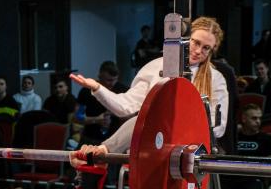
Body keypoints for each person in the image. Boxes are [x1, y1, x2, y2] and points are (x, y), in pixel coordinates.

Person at [69, 16, 229, 157]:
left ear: (211, 51)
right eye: (196, 42)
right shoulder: (156, 67)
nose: (198, 51)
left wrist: (182, 123)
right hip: (157, 145)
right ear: (186, 39)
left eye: (206, 48)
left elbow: (218, 128)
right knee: (142, 120)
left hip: (191, 150)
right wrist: (97, 88)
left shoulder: (216, 79)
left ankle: (105, 149)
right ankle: (105, 150)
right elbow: (125, 106)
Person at [224, 103, 271, 189]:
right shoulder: (232, 138)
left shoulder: (268, 139)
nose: (258, 121)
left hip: (254, 178)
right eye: (254, 118)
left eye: (259, 118)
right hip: (230, 176)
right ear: (244, 119)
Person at [75, 61, 128, 146]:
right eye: (108, 80)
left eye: (115, 80)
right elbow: (77, 117)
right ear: (100, 76)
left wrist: (116, 112)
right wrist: (97, 119)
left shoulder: (123, 90)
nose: (112, 83)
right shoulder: (86, 90)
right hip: (90, 139)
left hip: (115, 141)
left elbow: (132, 116)